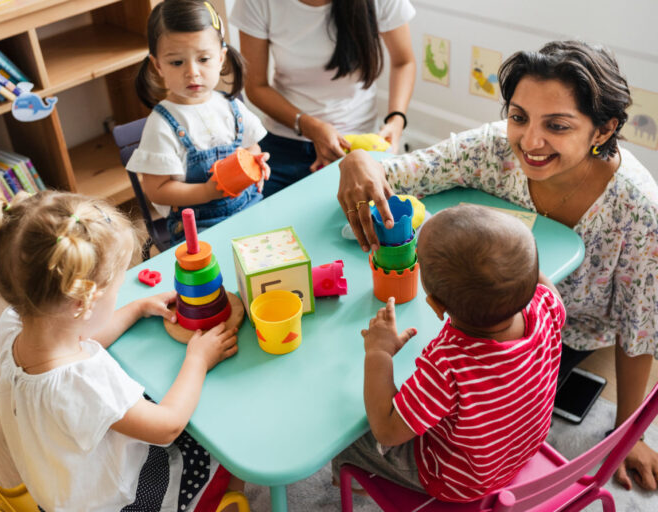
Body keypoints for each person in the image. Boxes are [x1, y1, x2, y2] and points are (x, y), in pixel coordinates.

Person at [337, 40, 658, 491]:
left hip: (567, 334)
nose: (530, 142)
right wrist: (357, 159)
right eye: (518, 116)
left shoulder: (639, 207)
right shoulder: (493, 148)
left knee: (366, 403)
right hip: (511, 317)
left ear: (602, 131)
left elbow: (639, 326)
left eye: (558, 126)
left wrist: (630, 432)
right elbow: (400, 173)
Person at [0, 187, 243, 511]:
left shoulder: (16, 326)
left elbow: (81, 340)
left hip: (62, 485)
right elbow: (166, 426)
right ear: (83, 302)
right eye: (116, 290)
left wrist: (137, 308)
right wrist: (197, 361)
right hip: (114, 502)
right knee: (224, 447)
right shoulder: (83, 384)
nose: (119, 297)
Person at [332, 204, 566, 501]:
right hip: (519, 450)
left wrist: (379, 353)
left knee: (348, 434)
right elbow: (546, 289)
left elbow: (387, 430)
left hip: (459, 482)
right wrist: (515, 265)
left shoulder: (448, 364)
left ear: (437, 306)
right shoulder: (546, 304)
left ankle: (355, 483)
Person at [231, 0, 416, 197]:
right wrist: (311, 127)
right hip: (284, 143)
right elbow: (256, 86)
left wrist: (396, 120)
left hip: (357, 145)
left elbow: (404, 62)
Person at [128, 0, 270, 245]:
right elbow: (156, 189)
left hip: (250, 206)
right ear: (158, 65)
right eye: (177, 62)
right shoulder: (162, 125)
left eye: (203, 59)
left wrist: (254, 161)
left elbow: (252, 147)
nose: (192, 72)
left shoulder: (232, 107)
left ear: (221, 57)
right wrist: (206, 191)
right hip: (198, 227)